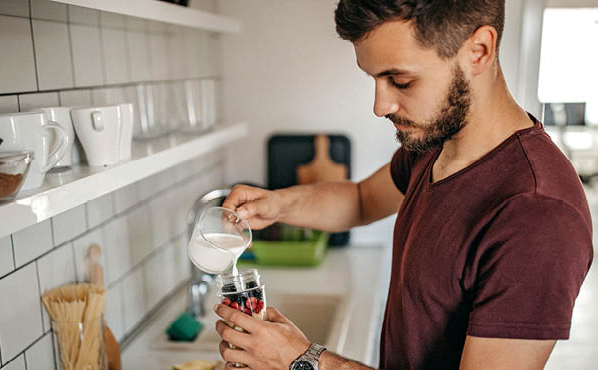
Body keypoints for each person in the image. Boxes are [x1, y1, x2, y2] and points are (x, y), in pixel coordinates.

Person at [214, 1, 594, 369]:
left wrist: (304, 361)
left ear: (478, 51)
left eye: (401, 80)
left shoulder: (538, 214)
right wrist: (277, 205)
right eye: (374, 78)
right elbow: (362, 200)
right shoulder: (435, 141)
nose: (380, 106)